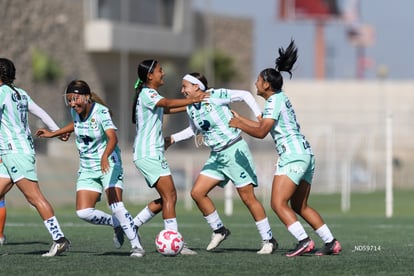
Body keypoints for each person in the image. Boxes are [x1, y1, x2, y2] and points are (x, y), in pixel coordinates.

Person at [228, 40, 342, 257]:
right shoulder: (280, 98)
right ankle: (331, 242)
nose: (255, 83)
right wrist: (241, 120)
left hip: (293, 156)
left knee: (277, 203)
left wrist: (240, 124)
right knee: (300, 206)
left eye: (258, 80)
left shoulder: (273, 102)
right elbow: (263, 126)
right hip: (305, 154)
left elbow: (261, 133)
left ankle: (304, 241)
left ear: (266, 85)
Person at [164, 72, 278, 254]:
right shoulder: (191, 107)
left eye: (185, 86)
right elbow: (193, 130)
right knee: (197, 193)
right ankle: (220, 230)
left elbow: (245, 95)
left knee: (248, 197)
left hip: (234, 150)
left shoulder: (214, 95)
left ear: (196, 87)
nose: (182, 90)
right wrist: (172, 139)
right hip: (216, 156)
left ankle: (269, 240)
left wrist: (259, 116)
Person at [36, 80, 145, 257]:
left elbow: (113, 138)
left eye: (76, 99)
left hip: (108, 163)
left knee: (116, 205)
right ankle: (117, 223)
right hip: (87, 167)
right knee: (83, 212)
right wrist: (53, 133)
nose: (72, 103)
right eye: (70, 99)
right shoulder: (75, 111)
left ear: (87, 97)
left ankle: (137, 246)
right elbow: (77, 125)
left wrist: (104, 156)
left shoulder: (100, 112)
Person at [131, 59, 207, 255]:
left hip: (152, 153)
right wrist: (193, 100)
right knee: (170, 196)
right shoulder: (148, 93)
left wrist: (191, 105)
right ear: (149, 76)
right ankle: (174, 241)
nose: (163, 73)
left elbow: (167, 108)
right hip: (147, 153)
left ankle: (131, 226)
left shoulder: (151, 94)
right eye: (160, 70)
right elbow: (166, 103)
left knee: (167, 197)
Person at [0, 57, 70, 256]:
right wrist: (57, 130)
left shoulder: (1, 93)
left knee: (34, 196)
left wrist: (57, 131)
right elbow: (40, 112)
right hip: (14, 153)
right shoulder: (20, 94)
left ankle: (59, 239)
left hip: (15, 153)